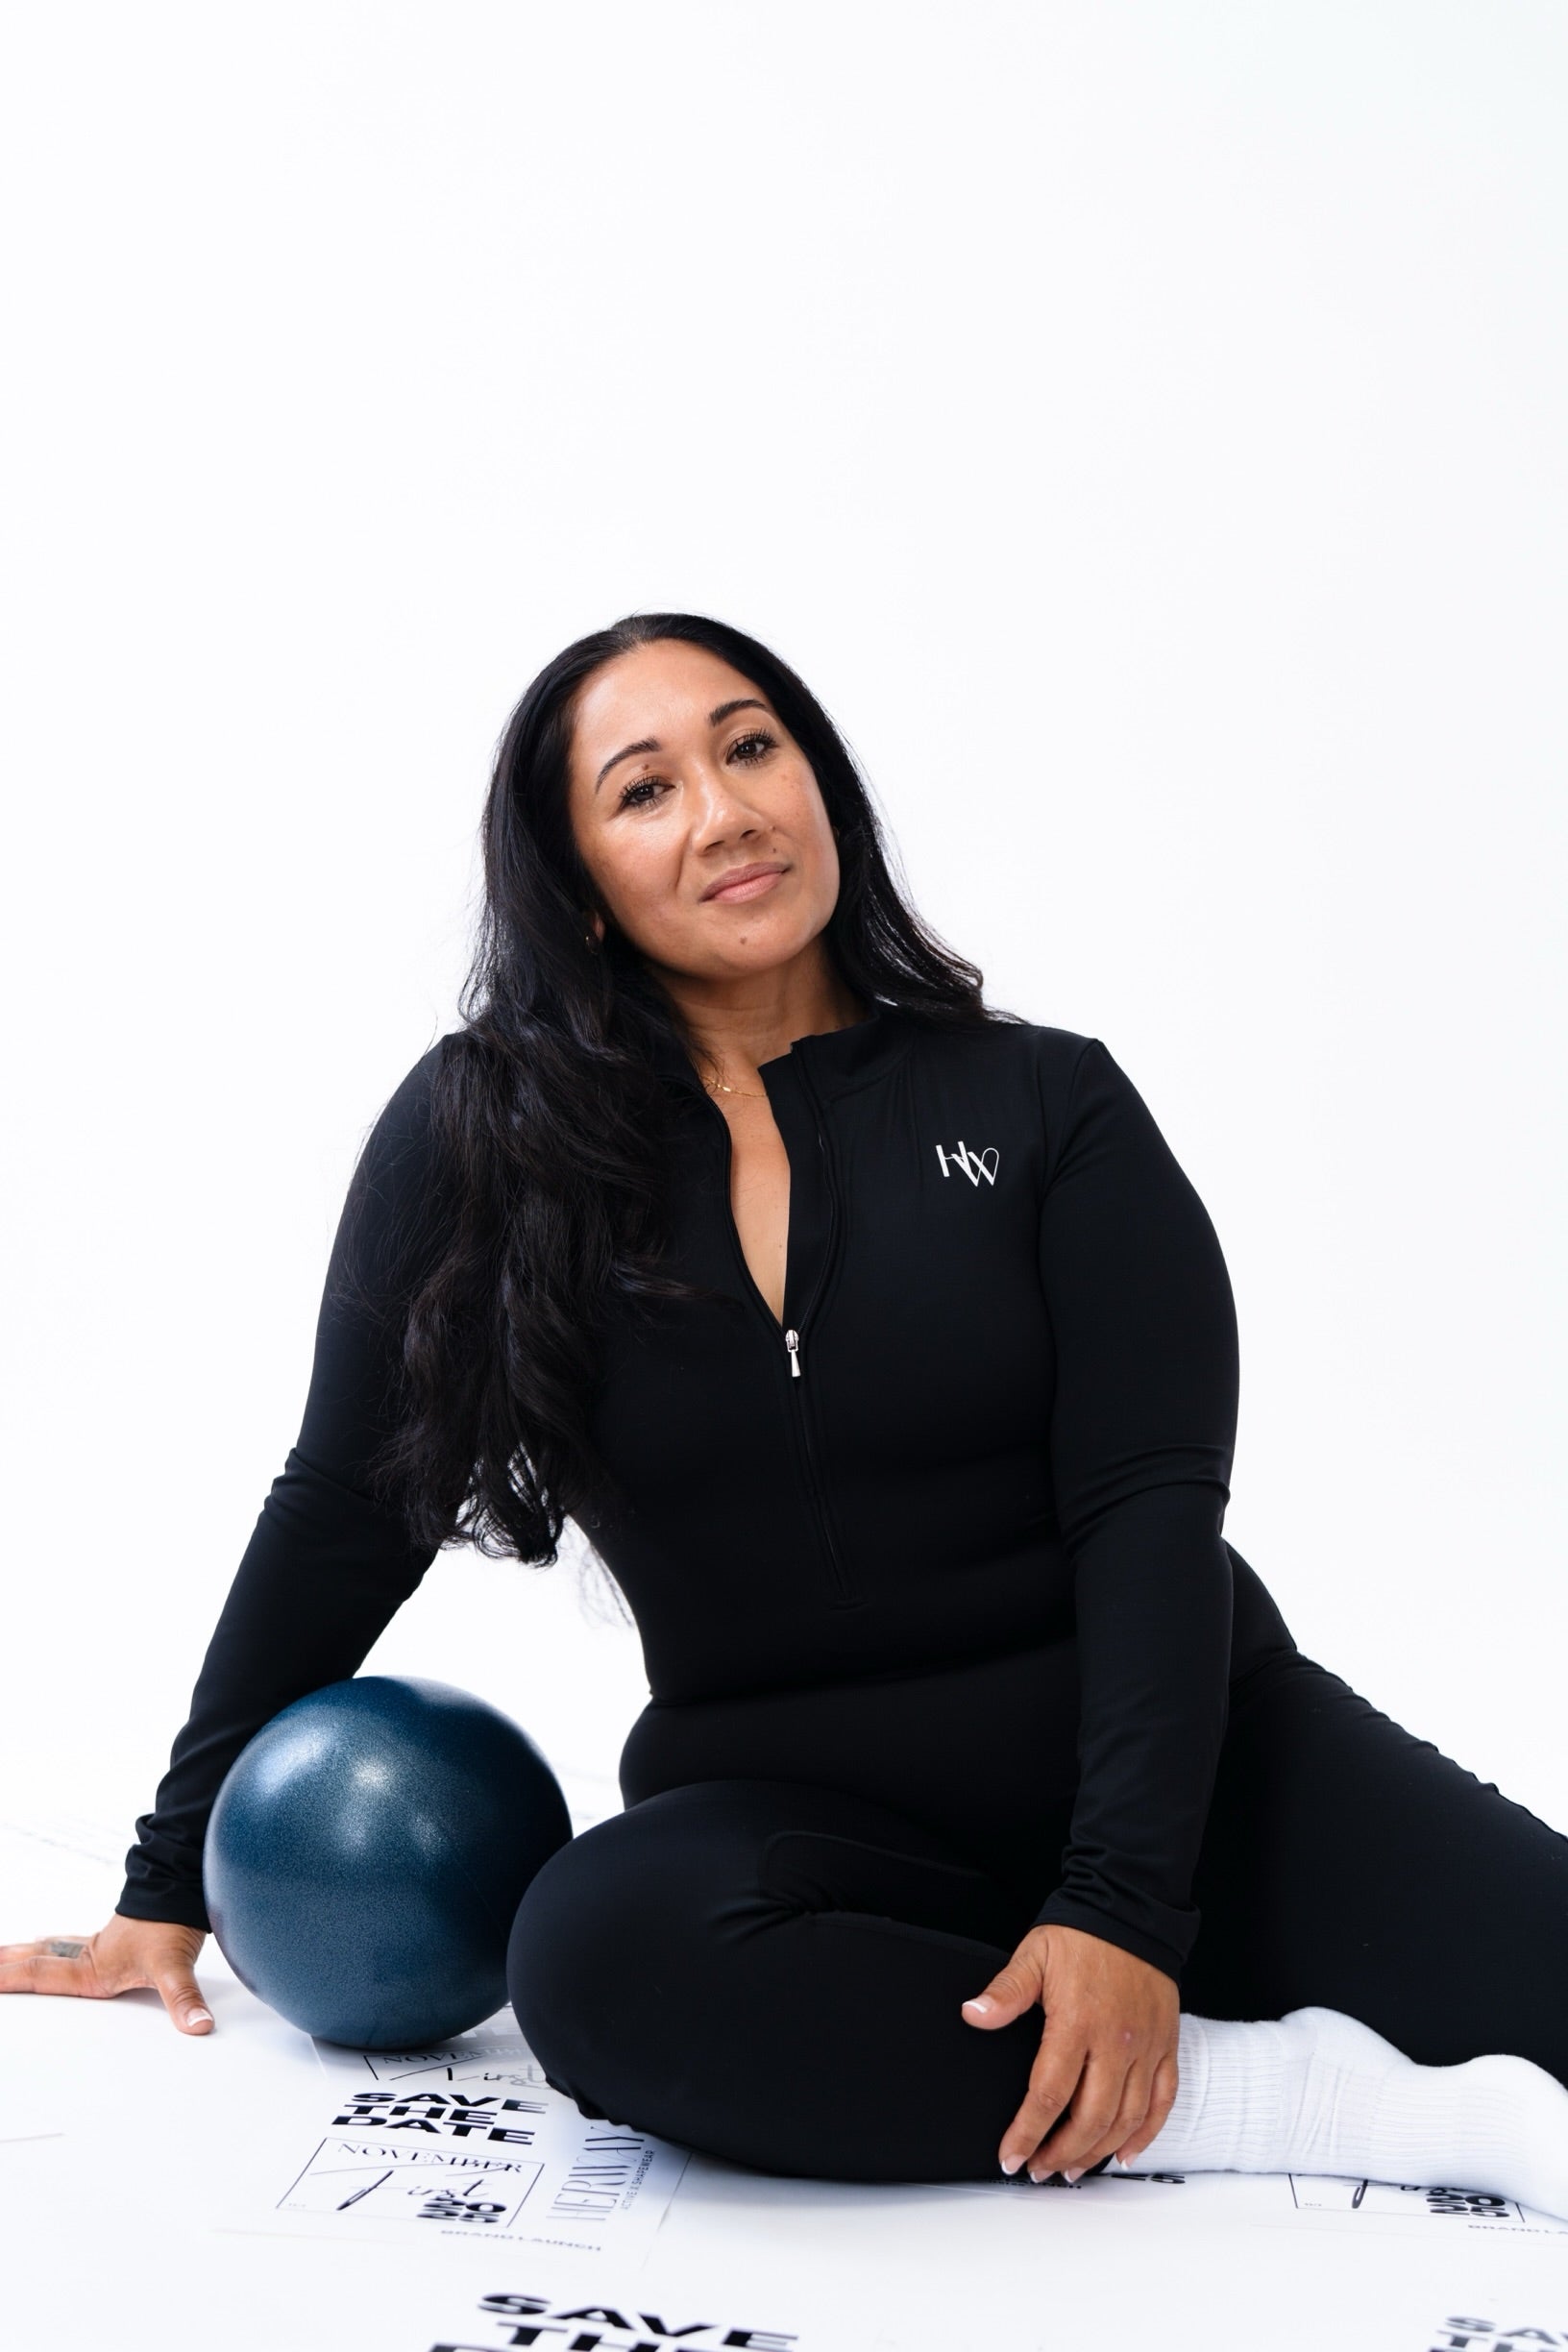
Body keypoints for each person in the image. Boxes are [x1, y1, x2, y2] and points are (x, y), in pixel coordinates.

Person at [7, 613, 1568, 2217]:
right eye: (644, 789)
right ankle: (1300, 2100)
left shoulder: (1046, 1104)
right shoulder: (483, 1140)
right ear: (578, 880)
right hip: (809, 1830)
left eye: (751, 747)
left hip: (1193, 1769)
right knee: (600, 1961)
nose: (727, 809)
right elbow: (347, 1503)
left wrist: (1121, 1906)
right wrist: (164, 1880)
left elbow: (1153, 1516)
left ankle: (1123, 1996)